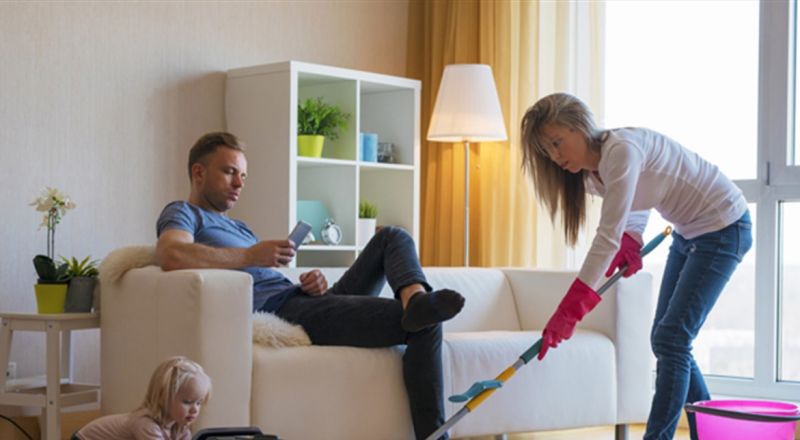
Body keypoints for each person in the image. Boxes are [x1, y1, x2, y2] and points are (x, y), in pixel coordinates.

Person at [154, 132, 465, 440]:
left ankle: (415, 298)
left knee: (392, 236)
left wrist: (311, 284)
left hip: (305, 299)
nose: (239, 183)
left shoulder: (239, 227)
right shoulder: (183, 213)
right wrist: (251, 255)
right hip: (287, 311)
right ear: (199, 172)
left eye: (243, 176)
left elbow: (265, 278)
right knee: (426, 324)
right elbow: (171, 253)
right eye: (229, 172)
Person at [520, 93, 752, 440]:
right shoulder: (592, 175)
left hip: (724, 227)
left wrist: (570, 309)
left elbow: (606, 237)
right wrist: (633, 236)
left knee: (671, 339)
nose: (554, 156)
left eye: (557, 142)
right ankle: (711, 434)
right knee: (669, 339)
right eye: (547, 150)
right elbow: (639, 196)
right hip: (689, 234)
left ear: (579, 125)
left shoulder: (621, 151)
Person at [73, 356, 211, 440]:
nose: (195, 409)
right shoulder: (146, 425)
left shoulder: (180, 427)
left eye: (199, 403)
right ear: (163, 396)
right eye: (187, 402)